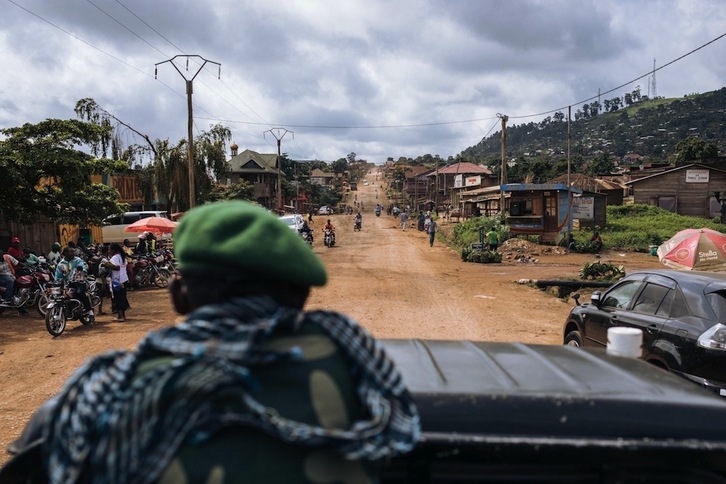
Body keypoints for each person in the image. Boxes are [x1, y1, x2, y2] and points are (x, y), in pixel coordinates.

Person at [4, 201, 420, 482]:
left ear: (179, 296)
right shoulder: (344, 343)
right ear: (300, 296)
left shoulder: (105, 385)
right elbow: (405, 438)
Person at [55, 247, 93, 317]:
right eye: (71, 252)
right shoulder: (61, 264)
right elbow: (58, 276)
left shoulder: (77, 260)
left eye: (73, 252)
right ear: (65, 253)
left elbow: (82, 267)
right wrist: (58, 283)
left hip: (80, 282)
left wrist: (82, 269)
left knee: (80, 292)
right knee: (61, 295)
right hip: (68, 284)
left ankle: (89, 310)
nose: (73, 253)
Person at [106, 242, 130, 322]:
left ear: (113, 250)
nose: (109, 251)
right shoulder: (122, 257)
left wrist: (107, 265)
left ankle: (120, 316)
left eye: (110, 249)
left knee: (117, 298)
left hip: (117, 281)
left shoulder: (115, 258)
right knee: (122, 297)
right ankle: (123, 315)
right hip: (124, 279)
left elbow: (117, 268)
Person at [0, 248, 27, 314]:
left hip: (11, 275)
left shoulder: (7, 257)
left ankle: (20, 306)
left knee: (21, 282)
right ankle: (8, 299)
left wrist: (26, 266)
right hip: (2, 276)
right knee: (10, 281)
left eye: (1, 254)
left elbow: (17, 263)